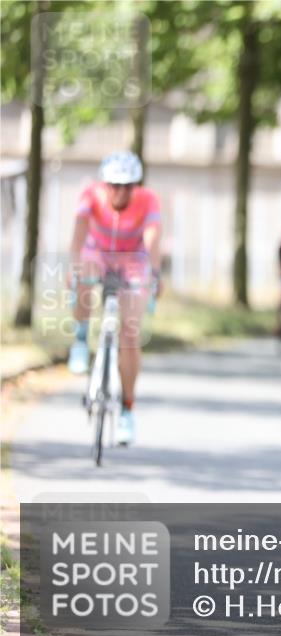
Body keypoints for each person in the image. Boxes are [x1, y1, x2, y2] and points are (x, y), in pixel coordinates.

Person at [67, 151, 162, 445]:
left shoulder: (148, 200)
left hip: (132, 260)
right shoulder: (91, 195)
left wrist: (154, 275)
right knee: (83, 273)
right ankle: (81, 340)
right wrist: (74, 269)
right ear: (104, 184)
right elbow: (78, 237)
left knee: (130, 333)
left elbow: (153, 239)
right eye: (114, 185)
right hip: (98, 253)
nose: (121, 192)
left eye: (128, 186)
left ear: (136, 186)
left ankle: (127, 409)